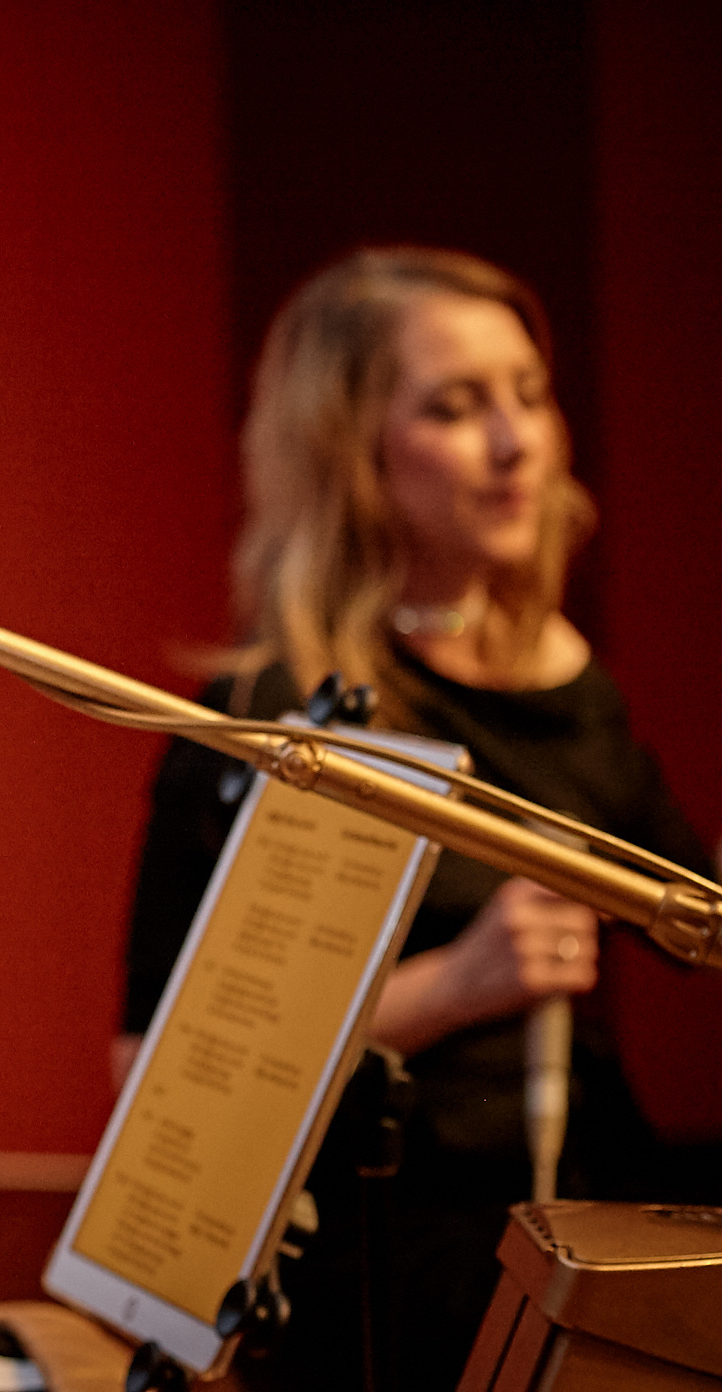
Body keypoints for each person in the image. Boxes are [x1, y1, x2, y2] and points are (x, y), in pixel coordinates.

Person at [118, 248, 708, 1390]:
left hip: (585, 1222)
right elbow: (155, 1070)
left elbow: (690, 911)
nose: (516, 441)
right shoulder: (272, 721)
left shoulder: (569, 682)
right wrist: (454, 986)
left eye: (530, 394)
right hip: (386, 1262)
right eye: (455, 406)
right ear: (351, 454)